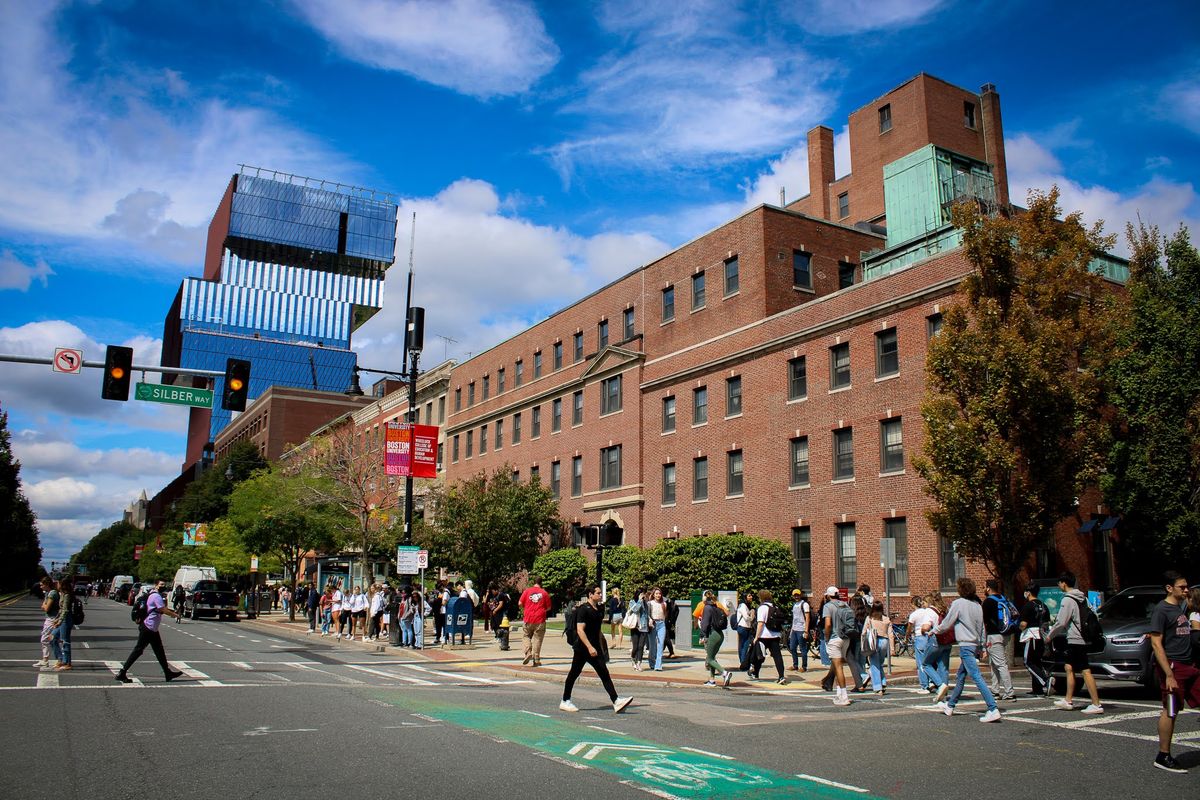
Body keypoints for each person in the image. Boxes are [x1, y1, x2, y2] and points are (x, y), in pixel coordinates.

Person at [932, 577, 1001, 723]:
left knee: (976, 675)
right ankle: (950, 706)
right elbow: (982, 627)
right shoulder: (977, 605)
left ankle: (993, 708)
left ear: (960, 589)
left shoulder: (958, 603)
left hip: (965, 644)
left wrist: (935, 630)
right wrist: (982, 646)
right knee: (961, 675)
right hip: (974, 644)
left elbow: (947, 623)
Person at [1148, 571, 1197, 773]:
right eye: (1182, 587)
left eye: (1186, 586)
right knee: (1171, 709)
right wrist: (1168, 674)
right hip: (1173, 666)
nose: (1186, 590)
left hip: (1190, 665)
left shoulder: (1181, 607)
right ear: (1169, 588)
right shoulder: (1162, 610)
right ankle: (1163, 755)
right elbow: (1156, 643)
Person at [559, 584, 633, 714]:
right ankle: (565, 700)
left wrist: (601, 646)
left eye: (600, 593)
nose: (600, 595)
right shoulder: (583, 609)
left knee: (604, 673)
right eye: (598, 593)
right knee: (573, 674)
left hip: (594, 648)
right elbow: (580, 630)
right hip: (583, 649)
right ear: (590, 594)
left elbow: (597, 631)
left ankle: (616, 701)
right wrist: (589, 647)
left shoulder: (598, 609)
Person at [1046, 571, 1103, 715]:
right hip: (1083, 638)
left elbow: (1061, 622)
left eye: (1059, 583)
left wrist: (1050, 635)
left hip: (1076, 639)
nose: (1059, 585)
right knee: (1068, 667)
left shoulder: (1068, 599)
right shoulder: (1083, 598)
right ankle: (1068, 699)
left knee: (1085, 670)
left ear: (1063, 583)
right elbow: (1094, 615)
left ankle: (1096, 704)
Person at [116, 581, 183, 683]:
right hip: (148, 627)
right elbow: (163, 609)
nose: (163, 586)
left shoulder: (153, 595)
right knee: (138, 650)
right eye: (161, 585)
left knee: (159, 651)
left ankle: (167, 673)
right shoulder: (156, 596)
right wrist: (175, 615)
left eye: (164, 585)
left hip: (151, 628)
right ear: (156, 585)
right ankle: (122, 672)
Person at [982, 579, 1016, 701]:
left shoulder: (988, 602)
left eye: (984, 587)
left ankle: (1009, 692)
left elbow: (983, 620)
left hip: (994, 635)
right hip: (1005, 633)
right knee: (994, 663)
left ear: (988, 588)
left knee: (1000, 664)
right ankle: (995, 690)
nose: (983, 589)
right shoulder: (1003, 599)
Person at [822, 587, 854, 706]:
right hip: (846, 637)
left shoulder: (828, 606)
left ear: (828, 596)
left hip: (834, 638)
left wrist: (826, 636)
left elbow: (828, 624)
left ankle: (844, 696)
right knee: (836, 666)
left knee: (838, 667)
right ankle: (839, 694)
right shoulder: (845, 605)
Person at [1018, 584, 1052, 696]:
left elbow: (1023, 624)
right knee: (1036, 661)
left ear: (1028, 592)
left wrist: (1018, 628)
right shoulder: (1044, 605)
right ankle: (1037, 689)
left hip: (1031, 635)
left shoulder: (1028, 606)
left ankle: (1045, 680)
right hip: (1041, 636)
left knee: (1028, 662)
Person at [921, 590, 953, 696]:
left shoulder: (929, 611)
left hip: (935, 639)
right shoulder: (945, 610)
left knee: (926, 664)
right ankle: (944, 689)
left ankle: (940, 685)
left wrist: (922, 630)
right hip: (947, 640)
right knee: (943, 667)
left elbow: (926, 627)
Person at [698, 591, 733, 687]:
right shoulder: (715, 607)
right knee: (712, 657)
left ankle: (724, 673)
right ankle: (712, 680)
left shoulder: (707, 608)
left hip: (713, 634)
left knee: (709, 659)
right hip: (720, 634)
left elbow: (705, 623)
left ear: (705, 598)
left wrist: (702, 635)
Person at [752, 589, 787, 684]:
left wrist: (756, 637)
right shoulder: (774, 606)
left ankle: (756, 673)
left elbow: (760, 624)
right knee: (777, 657)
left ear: (761, 598)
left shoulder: (762, 608)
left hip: (763, 635)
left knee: (759, 655)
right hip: (775, 635)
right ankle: (781, 676)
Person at [519, 575, 552, 667]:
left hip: (528, 618)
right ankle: (536, 659)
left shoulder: (527, 591)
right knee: (538, 639)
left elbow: (520, 603)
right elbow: (549, 607)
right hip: (540, 619)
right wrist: (543, 610)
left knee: (526, 636)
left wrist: (526, 608)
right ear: (541, 583)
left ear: (534, 582)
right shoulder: (544, 593)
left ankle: (528, 651)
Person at [907, 595, 937, 692]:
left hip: (919, 637)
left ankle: (925, 685)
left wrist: (906, 637)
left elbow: (909, 627)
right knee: (930, 661)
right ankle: (933, 681)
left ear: (913, 604)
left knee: (921, 663)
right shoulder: (926, 611)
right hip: (929, 636)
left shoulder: (914, 614)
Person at [864, 601, 894, 694]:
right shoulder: (886, 619)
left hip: (873, 641)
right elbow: (891, 634)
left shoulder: (869, 618)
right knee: (879, 663)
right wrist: (892, 648)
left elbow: (864, 631)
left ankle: (878, 687)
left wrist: (863, 644)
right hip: (884, 642)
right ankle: (883, 682)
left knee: (874, 665)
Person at [51, 579, 75, 671]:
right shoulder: (62, 594)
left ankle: (67, 663)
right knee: (52, 638)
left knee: (65, 641)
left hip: (66, 620)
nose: (57, 585)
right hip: (61, 619)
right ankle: (60, 659)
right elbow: (61, 610)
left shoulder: (67, 595)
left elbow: (65, 610)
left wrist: (59, 621)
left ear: (62, 585)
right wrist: (56, 618)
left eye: (58, 583)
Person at [34, 576, 55, 670]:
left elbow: (46, 608)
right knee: (53, 640)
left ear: (47, 584)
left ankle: (45, 660)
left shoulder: (52, 593)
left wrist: (44, 605)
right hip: (50, 618)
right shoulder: (48, 593)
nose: (40, 587)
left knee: (44, 639)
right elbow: (43, 605)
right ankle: (47, 659)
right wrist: (44, 605)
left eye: (42, 585)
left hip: (52, 619)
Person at [788, 589, 811, 672]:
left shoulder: (804, 604)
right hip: (794, 629)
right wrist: (791, 630)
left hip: (802, 629)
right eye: (795, 595)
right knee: (792, 647)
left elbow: (807, 618)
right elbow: (794, 618)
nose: (796, 596)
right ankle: (795, 665)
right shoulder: (794, 604)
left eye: (798, 595)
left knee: (803, 649)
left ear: (800, 595)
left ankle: (804, 667)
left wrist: (806, 630)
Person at [646, 587, 668, 671]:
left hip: (661, 624)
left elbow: (665, 614)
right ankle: (652, 662)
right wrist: (650, 620)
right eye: (656, 594)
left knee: (661, 644)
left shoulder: (664, 604)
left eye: (659, 594)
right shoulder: (650, 603)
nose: (658, 595)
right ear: (653, 595)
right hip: (653, 625)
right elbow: (647, 614)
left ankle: (658, 665)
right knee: (652, 646)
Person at [629, 589, 650, 670]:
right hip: (635, 626)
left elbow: (646, 614)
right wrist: (640, 601)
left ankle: (639, 663)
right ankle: (633, 658)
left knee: (641, 646)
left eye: (643, 594)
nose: (643, 596)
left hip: (643, 626)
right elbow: (635, 610)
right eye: (641, 594)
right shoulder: (632, 602)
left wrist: (649, 622)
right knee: (635, 647)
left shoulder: (645, 603)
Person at [735, 591, 756, 667]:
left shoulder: (744, 605)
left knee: (742, 645)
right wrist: (752, 617)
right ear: (745, 597)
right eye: (749, 596)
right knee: (745, 646)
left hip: (744, 627)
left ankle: (742, 662)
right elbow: (746, 617)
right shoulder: (743, 605)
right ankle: (743, 662)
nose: (751, 597)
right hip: (743, 628)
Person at [491, 584, 511, 651]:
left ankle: (501, 639)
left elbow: (501, 604)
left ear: (496, 590)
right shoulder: (496, 595)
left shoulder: (501, 595)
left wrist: (495, 610)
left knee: (500, 625)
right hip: (496, 613)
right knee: (494, 625)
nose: (492, 592)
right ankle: (499, 637)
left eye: (493, 591)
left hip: (500, 613)